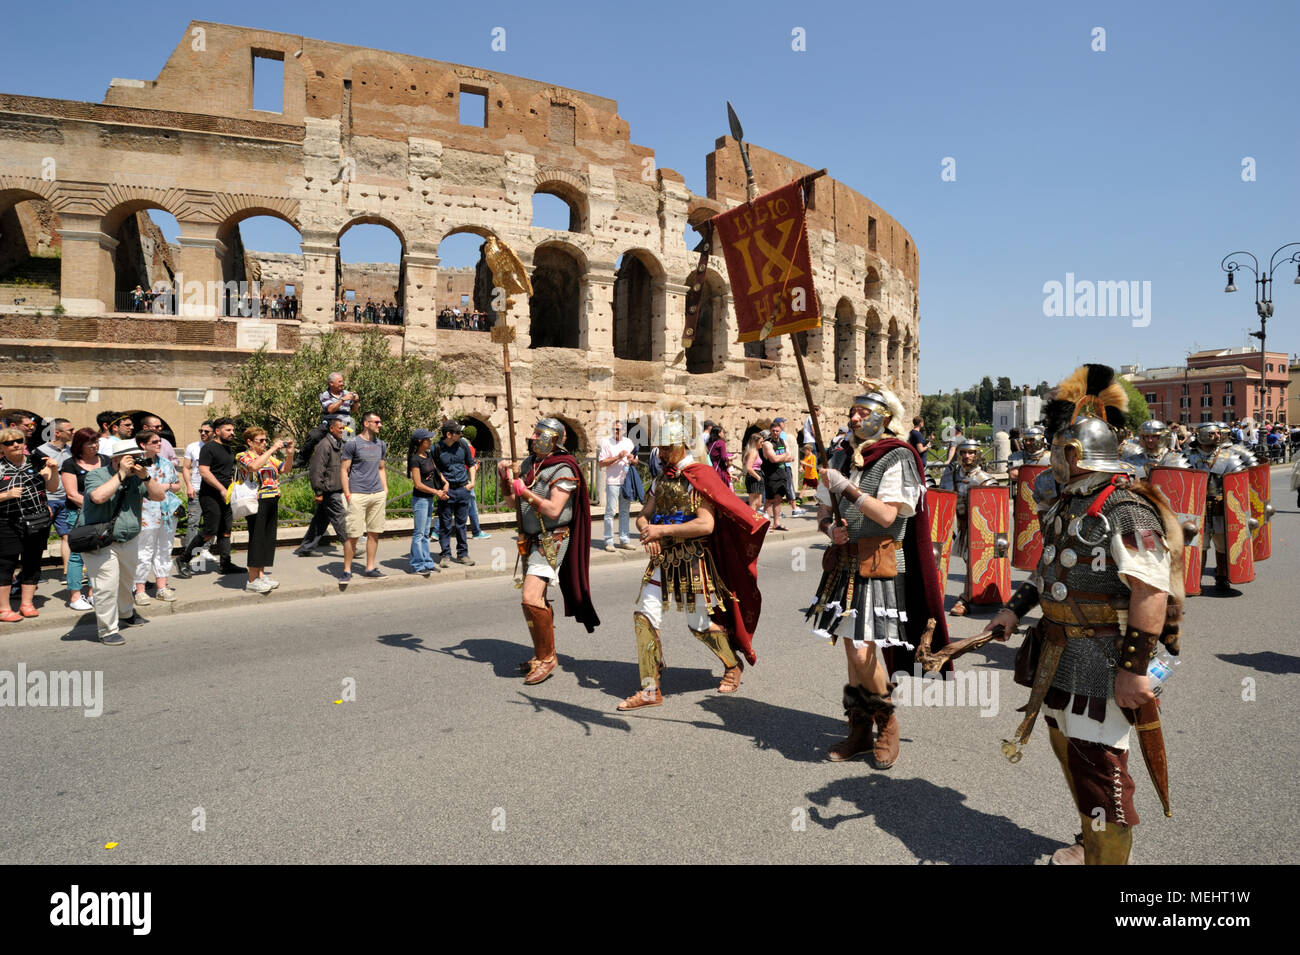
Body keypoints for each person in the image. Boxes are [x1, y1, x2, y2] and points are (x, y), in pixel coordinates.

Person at [977, 363, 1180, 865]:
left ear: (1076, 453)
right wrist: (1011, 610)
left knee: (1103, 776)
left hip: (1104, 660)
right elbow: (1047, 576)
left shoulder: (1126, 509)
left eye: (1058, 450)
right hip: (1059, 653)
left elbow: (1151, 593)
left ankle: (1104, 855)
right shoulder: (1067, 505)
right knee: (1068, 747)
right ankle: (1089, 842)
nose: (1052, 459)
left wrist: (1134, 670)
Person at [805, 385, 951, 767]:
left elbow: (888, 516)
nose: (854, 418)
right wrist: (828, 529)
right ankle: (859, 728)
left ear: (884, 418)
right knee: (853, 652)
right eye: (852, 411)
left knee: (861, 648)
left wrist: (847, 488)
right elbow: (823, 510)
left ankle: (886, 722)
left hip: (880, 562)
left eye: (862, 412)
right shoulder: (840, 453)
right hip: (845, 560)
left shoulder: (897, 456)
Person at [617, 400, 766, 710]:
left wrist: (663, 532)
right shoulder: (661, 479)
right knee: (644, 615)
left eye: (666, 446)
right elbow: (643, 515)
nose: (660, 452)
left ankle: (731, 663)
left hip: (692, 560)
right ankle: (649, 688)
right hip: (661, 559)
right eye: (658, 447)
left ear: (682, 444)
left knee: (698, 623)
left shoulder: (699, 476)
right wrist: (647, 530)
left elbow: (706, 524)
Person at [498, 417, 600, 684]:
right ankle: (543, 653)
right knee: (535, 601)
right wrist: (504, 480)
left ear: (551, 438)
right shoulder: (530, 464)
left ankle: (547, 658)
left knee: (530, 598)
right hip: (530, 539)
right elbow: (512, 502)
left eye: (537, 433)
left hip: (551, 540)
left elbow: (554, 509)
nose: (532, 437)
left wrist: (526, 493)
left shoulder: (564, 468)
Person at [78, 439, 167, 645]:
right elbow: (98, 497)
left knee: (126, 582)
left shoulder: (138, 478)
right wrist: (121, 474)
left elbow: (159, 496)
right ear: (117, 459)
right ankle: (107, 630)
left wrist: (145, 477)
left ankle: (126, 613)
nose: (136, 461)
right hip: (101, 541)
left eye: (138, 457)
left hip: (128, 539)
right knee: (106, 586)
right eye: (132, 458)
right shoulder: (96, 475)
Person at [1185, 422, 1254, 595]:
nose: (1218, 436)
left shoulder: (1228, 457)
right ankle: (1195, 579)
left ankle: (1222, 577)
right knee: (1197, 546)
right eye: (1213, 434)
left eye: (1218, 434)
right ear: (1202, 435)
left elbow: (1238, 483)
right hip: (1195, 510)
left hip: (1220, 509)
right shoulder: (1187, 457)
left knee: (1222, 546)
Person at [0, 427, 61, 621]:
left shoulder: (36, 462)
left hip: (36, 520)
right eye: (9, 443)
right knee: (6, 565)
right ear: (1, 447)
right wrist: (5, 495)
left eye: (18, 441)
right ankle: (4, 609)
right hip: (7, 522)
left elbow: (51, 487)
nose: (15, 445)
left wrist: (54, 470)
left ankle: (27, 604)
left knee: (32, 563)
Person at [175, 417, 243, 578]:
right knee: (209, 531)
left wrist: (232, 487)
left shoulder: (228, 449)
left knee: (225, 531)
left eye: (233, 430)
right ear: (217, 431)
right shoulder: (208, 448)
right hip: (210, 495)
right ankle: (183, 559)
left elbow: (226, 472)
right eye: (228, 430)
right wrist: (220, 488)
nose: (232, 433)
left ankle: (225, 564)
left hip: (225, 495)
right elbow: (204, 472)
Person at [941, 438, 998, 616]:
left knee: (974, 562)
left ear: (978, 454)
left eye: (971, 452)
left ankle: (965, 598)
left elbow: (993, 513)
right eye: (964, 452)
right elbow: (942, 505)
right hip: (962, 526)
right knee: (968, 561)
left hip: (981, 530)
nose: (967, 456)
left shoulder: (986, 480)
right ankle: (970, 595)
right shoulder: (950, 477)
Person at [235, 428, 293, 594]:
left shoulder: (269, 457)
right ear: (249, 442)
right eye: (260, 440)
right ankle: (252, 579)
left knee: (268, 539)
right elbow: (253, 467)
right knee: (257, 538)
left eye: (265, 440)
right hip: (256, 502)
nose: (264, 443)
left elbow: (285, 469)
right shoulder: (243, 456)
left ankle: (260, 575)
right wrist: (273, 448)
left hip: (272, 498)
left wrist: (289, 454)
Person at [131, 429, 182, 605]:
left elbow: (177, 485)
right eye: (154, 442)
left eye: (159, 441)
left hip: (167, 513)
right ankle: (140, 590)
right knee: (143, 551)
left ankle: (162, 587)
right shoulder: (136, 466)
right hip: (145, 512)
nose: (159, 444)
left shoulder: (166, 463)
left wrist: (165, 486)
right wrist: (164, 486)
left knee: (165, 549)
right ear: (142, 445)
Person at [61, 428, 108, 611]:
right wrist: (96, 504)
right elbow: (72, 494)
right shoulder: (70, 464)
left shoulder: (105, 460)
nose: (94, 445)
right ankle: (75, 595)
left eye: (96, 441)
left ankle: (92, 593)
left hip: (103, 513)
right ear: (79, 445)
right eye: (89, 442)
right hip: (79, 513)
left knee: (99, 553)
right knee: (77, 556)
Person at [340, 411, 388, 582]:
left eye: (380, 422)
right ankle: (347, 570)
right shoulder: (353, 444)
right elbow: (344, 470)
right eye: (377, 422)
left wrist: (385, 489)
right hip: (357, 494)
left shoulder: (381, 444)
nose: (380, 425)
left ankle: (370, 567)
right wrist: (348, 494)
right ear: (366, 423)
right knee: (353, 535)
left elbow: (381, 468)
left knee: (374, 533)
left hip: (377, 494)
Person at [295, 415, 348, 557]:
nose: (342, 430)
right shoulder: (324, 445)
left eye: (343, 428)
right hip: (328, 489)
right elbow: (316, 470)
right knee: (340, 517)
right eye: (340, 428)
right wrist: (318, 491)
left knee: (320, 520)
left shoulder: (340, 443)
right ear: (331, 428)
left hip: (334, 487)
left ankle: (306, 548)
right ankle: (350, 547)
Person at [30, 417, 74, 581]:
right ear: (57, 432)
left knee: (66, 536)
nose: (73, 432)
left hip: (65, 499)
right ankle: (34, 573)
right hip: (47, 500)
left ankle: (67, 573)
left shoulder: (71, 451)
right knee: (40, 537)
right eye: (70, 430)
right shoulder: (40, 452)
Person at [431, 420, 476, 568]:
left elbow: (471, 464)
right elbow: (434, 470)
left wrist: (472, 483)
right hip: (446, 491)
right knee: (445, 524)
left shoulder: (463, 445)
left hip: (463, 489)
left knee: (461, 524)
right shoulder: (436, 448)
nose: (460, 434)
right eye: (457, 432)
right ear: (449, 434)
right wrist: (439, 489)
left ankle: (463, 554)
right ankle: (445, 554)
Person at [406, 429, 444, 574]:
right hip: (420, 500)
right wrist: (436, 492)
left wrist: (444, 483)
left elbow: (435, 473)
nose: (430, 441)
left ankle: (427, 562)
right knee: (419, 533)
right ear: (420, 442)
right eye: (427, 439)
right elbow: (418, 484)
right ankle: (417, 564)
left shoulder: (428, 455)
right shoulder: (415, 459)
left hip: (429, 499)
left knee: (426, 532)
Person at [598, 420, 636, 552]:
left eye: (618, 429)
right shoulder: (607, 443)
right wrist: (617, 457)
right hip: (612, 482)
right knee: (610, 512)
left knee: (625, 512)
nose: (616, 431)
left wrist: (632, 458)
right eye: (614, 429)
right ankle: (609, 541)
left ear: (624, 431)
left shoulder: (629, 442)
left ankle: (624, 540)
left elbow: (636, 460)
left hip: (626, 482)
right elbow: (601, 463)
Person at [180, 421, 214, 564]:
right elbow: (186, 468)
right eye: (201, 430)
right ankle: (190, 552)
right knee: (193, 522)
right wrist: (188, 485)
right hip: (196, 489)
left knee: (210, 523)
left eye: (207, 431)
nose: (203, 433)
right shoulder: (193, 447)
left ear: (214, 432)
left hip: (212, 491)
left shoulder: (217, 448)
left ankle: (205, 550)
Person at [761, 418, 796, 530]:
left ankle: (776, 523)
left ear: (781, 431)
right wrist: (785, 457)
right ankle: (762, 520)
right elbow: (773, 459)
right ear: (770, 431)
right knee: (769, 500)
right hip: (771, 474)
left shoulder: (782, 441)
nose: (775, 433)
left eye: (777, 431)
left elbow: (791, 456)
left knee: (778, 499)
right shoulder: (767, 443)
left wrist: (782, 457)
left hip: (782, 473)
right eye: (773, 431)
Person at [741, 432, 764, 516]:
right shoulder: (753, 452)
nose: (762, 443)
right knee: (754, 503)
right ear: (755, 442)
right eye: (761, 442)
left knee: (758, 503)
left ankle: (755, 520)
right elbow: (749, 467)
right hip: (754, 476)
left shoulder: (755, 451)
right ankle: (752, 521)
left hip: (756, 475)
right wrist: (758, 477)